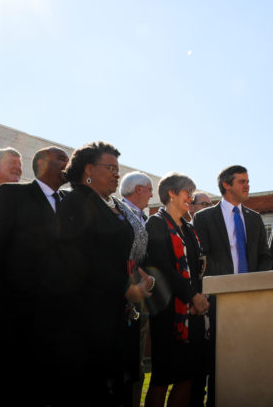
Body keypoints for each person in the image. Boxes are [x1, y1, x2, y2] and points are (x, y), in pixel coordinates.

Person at [52, 141, 153, 406]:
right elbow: (78, 257)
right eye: (110, 168)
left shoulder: (112, 204)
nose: (116, 174)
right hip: (86, 318)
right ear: (88, 169)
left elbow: (118, 252)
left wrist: (138, 275)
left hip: (116, 314)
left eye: (117, 169)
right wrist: (125, 285)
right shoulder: (75, 201)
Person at [0, 146, 68, 405]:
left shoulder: (70, 203)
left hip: (53, 317)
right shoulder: (13, 194)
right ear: (41, 164)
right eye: (61, 159)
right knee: (7, 386)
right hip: (12, 313)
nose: (67, 164)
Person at [192, 165, 272, 406]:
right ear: (226, 185)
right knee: (218, 359)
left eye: (248, 181)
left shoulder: (255, 218)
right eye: (242, 181)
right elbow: (200, 258)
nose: (247, 185)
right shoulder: (204, 217)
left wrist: (256, 284)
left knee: (249, 355)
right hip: (219, 300)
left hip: (251, 298)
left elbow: (265, 256)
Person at [145, 172, 210, 407]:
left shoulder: (189, 229)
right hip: (167, 312)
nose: (190, 199)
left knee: (188, 376)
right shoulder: (155, 223)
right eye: (187, 193)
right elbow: (162, 267)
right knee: (162, 378)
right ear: (172, 193)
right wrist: (192, 296)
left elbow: (197, 268)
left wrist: (197, 299)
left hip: (192, 313)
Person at [119, 171, 156, 405]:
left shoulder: (143, 218)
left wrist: (148, 278)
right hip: (122, 301)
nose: (153, 194)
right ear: (138, 189)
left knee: (138, 363)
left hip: (141, 300)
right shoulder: (118, 214)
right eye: (150, 188)